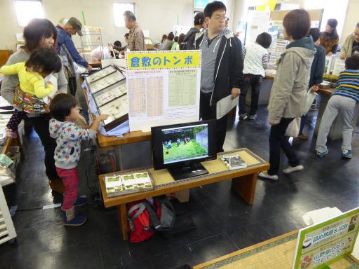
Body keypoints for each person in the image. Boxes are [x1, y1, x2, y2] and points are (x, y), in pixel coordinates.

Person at [1, 18, 68, 193]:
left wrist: (56, 103)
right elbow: (6, 90)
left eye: (53, 37)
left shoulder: (53, 55)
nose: (52, 41)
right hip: (36, 114)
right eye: (47, 36)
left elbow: (62, 84)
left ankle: (63, 175)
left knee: (61, 143)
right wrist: (36, 106)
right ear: (34, 36)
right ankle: (55, 181)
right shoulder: (18, 58)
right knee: (50, 145)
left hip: (55, 110)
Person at [259, 9, 315, 181]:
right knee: (280, 135)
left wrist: (274, 114)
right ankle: (294, 161)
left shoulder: (291, 54)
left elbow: (283, 88)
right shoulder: (306, 51)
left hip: (287, 105)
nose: (283, 29)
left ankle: (272, 172)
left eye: (284, 26)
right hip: (296, 103)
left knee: (274, 137)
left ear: (290, 28)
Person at [49, 93, 108, 226]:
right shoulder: (68, 128)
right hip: (66, 165)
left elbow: (80, 131)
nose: (78, 110)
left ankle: (72, 199)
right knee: (71, 189)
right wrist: (97, 120)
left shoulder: (57, 122)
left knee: (71, 186)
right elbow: (89, 134)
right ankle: (69, 216)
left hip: (64, 163)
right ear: (66, 114)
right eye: (75, 109)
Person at [194, 1, 244, 153]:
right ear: (207, 20)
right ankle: (202, 150)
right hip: (200, 91)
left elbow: (238, 64)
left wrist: (236, 85)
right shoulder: (198, 40)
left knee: (219, 124)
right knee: (201, 122)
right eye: (218, 17)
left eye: (224, 16)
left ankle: (217, 152)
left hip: (220, 91)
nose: (222, 20)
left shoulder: (231, 41)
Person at [0, 48, 62, 138]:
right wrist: (50, 87)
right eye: (49, 72)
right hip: (31, 99)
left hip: (20, 93)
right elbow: (40, 93)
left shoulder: (20, 66)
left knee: (19, 111)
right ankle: (10, 128)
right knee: (41, 110)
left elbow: (5, 69)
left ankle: (10, 128)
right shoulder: (38, 79)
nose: (48, 75)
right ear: (41, 68)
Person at [315, 55, 359, 159]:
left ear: (346, 65)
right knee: (347, 126)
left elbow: (339, 84)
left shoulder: (343, 73)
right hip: (349, 101)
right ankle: (346, 150)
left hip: (335, 98)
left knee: (325, 124)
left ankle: (320, 149)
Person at [298, 28, 326, 140]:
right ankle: (298, 131)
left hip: (297, 81)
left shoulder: (300, 47)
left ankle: (287, 129)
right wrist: (317, 82)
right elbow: (320, 68)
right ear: (318, 38)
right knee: (304, 108)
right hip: (309, 83)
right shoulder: (320, 50)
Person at [238, 32, 272, 121]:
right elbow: (265, 65)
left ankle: (242, 113)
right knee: (255, 95)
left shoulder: (247, 46)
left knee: (242, 94)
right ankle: (252, 114)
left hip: (246, 74)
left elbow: (241, 57)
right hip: (258, 76)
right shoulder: (265, 51)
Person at [56, 17, 91, 95]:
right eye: (75, 31)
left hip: (54, 63)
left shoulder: (56, 30)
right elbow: (74, 54)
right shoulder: (64, 35)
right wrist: (86, 64)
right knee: (63, 87)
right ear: (70, 28)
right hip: (57, 64)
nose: (75, 34)